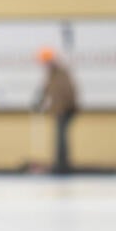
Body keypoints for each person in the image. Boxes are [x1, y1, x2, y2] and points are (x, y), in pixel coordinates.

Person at [34, 46, 78, 174]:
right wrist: (39, 102)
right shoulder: (52, 74)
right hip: (60, 109)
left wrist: (70, 106)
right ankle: (60, 164)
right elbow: (46, 89)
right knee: (60, 137)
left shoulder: (60, 72)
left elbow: (68, 91)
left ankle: (62, 166)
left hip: (65, 110)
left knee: (61, 138)